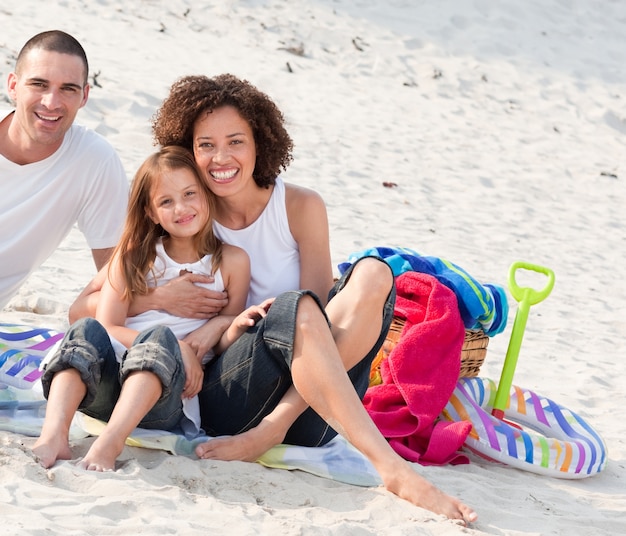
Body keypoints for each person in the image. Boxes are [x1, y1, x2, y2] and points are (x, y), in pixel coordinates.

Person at [73, 74, 477, 524]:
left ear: (261, 143)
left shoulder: (300, 207)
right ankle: (392, 470)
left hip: (309, 410)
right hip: (225, 394)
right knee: (297, 307)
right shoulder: (185, 211)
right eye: (205, 144)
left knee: (371, 274)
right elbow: (82, 310)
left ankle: (274, 430)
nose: (220, 158)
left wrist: (274, 417)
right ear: (188, 148)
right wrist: (161, 297)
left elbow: (325, 319)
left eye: (236, 142)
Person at [32, 145, 255, 471]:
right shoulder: (134, 256)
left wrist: (218, 326)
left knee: (159, 338)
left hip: (164, 397)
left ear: (206, 195)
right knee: (85, 331)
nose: (181, 207)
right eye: (166, 201)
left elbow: (229, 324)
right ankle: (53, 436)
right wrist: (176, 344)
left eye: (190, 193)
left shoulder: (232, 261)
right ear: (150, 212)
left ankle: (109, 445)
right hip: (104, 390)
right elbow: (106, 328)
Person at [0, 30, 129, 309]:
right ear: (13, 85)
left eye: (68, 89)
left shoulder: (93, 161)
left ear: (84, 96)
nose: (51, 102)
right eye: (39, 84)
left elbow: (118, 279)